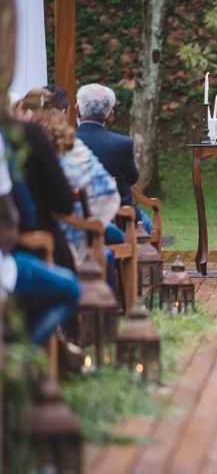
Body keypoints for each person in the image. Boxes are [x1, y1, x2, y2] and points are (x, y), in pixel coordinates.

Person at [14, 88, 121, 259]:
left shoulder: (15, 147)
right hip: (60, 237)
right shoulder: (71, 147)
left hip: (21, 234)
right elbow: (105, 192)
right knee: (111, 235)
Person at [1, 131, 79, 346]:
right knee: (69, 288)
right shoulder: (17, 138)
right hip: (13, 261)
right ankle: (21, 357)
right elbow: (22, 215)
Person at [75, 83, 152, 233]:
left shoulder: (63, 142)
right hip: (118, 221)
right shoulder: (122, 144)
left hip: (76, 221)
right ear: (110, 114)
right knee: (148, 225)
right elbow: (132, 178)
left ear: (77, 110)